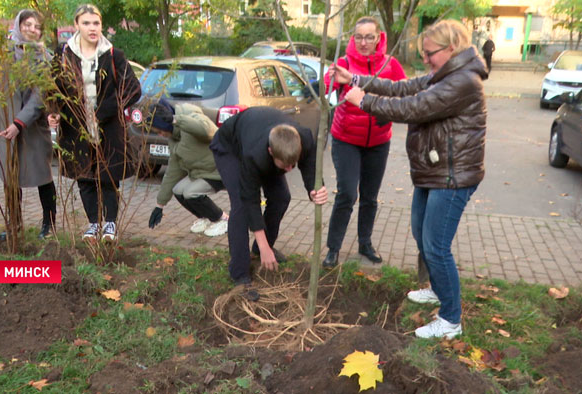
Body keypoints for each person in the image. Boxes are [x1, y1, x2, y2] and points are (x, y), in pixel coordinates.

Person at [331, 19, 488, 339]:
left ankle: (450, 319)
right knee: (421, 233)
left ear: (452, 48)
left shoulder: (464, 81)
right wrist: (357, 79)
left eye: (431, 53)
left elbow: (413, 107)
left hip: (452, 176)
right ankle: (437, 287)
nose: (427, 59)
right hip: (435, 171)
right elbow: (402, 87)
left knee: (436, 245)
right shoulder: (444, 74)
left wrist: (364, 101)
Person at [210, 107, 327, 300]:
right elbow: (251, 200)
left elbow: (310, 165)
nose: (289, 170)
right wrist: (264, 243)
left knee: (282, 197)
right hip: (229, 148)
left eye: (293, 164)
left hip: (258, 138)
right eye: (285, 165)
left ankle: (261, 250)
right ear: (271, 152)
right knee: (240, 205)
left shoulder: (304, 138)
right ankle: (240, 274)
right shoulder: (254, 155)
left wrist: (315, 190)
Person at [47, 4, 140, 243]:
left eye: (96, 23)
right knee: (85, 177)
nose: (92, 28)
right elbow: (51, 87)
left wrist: (102, 112)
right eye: (86, 23)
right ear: (77, 24)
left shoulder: (113, 55)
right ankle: (93, 224)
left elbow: (132, 89)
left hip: (108, 128)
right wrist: (54, 111)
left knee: (108, 177)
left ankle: (110, 224)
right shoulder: (63, 54)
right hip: (75, 128)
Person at [321, 16, 406, 269]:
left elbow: (405, 91)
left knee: (370, 197)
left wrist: (388, 108)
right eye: (359, 37)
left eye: (370, 37)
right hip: (346, 139)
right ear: (352, 38)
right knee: (347, 193)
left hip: (379, 141)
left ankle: (365, 243)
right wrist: (333, 81)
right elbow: (326, 90)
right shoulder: (343, 63)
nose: (364, 42)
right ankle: (333, 248)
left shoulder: (390, 64)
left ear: (379, 38)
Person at [0, 9, 57, 240]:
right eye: (28, 24)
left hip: (33, 130)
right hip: (3, 128)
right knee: (10, 179)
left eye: (37, 26)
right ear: (18, 26)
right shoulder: (1, 57)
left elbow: (40, 98)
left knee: (43, 176)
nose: (32, 29)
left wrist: (19, 123)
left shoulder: (45, 58)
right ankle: (14, 225)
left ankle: (49, 226)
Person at [146, 99, 228, 237]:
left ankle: (223, 219)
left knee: (191, 193)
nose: (160, 135)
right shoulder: (174, 139)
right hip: (202, 172)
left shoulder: (191, 116)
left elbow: (209, 131)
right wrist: (159, 205)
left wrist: (175, 120)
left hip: (220, 170)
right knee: (178, 190)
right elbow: (173, 171)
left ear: (166, 124)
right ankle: (206, 218)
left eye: (160, 131)